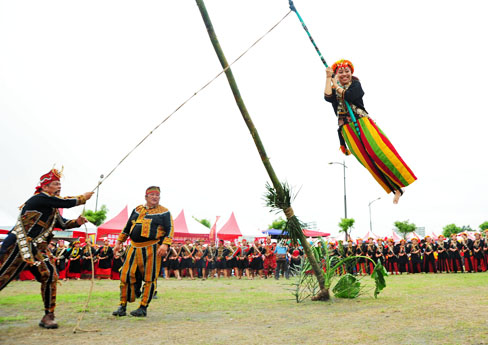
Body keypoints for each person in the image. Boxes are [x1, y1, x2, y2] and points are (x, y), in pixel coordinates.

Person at [0, 168, 93, 328]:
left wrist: (77, 222)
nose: (59, 186)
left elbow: (62, 223)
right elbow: (65, 202)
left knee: (49, 276)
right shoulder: (39, 199)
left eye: (60, 184)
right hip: (18, 245)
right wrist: (82, 198)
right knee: (2, 277)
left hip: (37, 250)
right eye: (55, 184)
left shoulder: (51, 207)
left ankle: (48, 315)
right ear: (45, 186)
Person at [324, 60, 417, 203]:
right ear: (336, 75)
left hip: (361, 122)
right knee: (367, 161)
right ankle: (395, 189)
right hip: (347, 129)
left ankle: (403, 177)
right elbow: (327, 97)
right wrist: (328, 78)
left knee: (377, 152)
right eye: (340, 72)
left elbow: (349, 96)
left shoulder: (355, 84)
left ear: (351, 73)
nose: (344, 74)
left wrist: (335, 84)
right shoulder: (334, 88)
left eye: (346, 71)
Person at [112, 186, 173, 317]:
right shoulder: (137, 209)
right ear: (146, 197)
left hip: (152, 248)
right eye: (152, 195)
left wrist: (165, 245)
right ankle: (122, 305)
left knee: (150, 278)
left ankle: (143, 307)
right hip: (133, 248)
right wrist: (119, 242)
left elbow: (170, 229)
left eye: (157, 195)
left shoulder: (164, 212)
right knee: (126, 274)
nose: (155, 197)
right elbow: (127, 227)